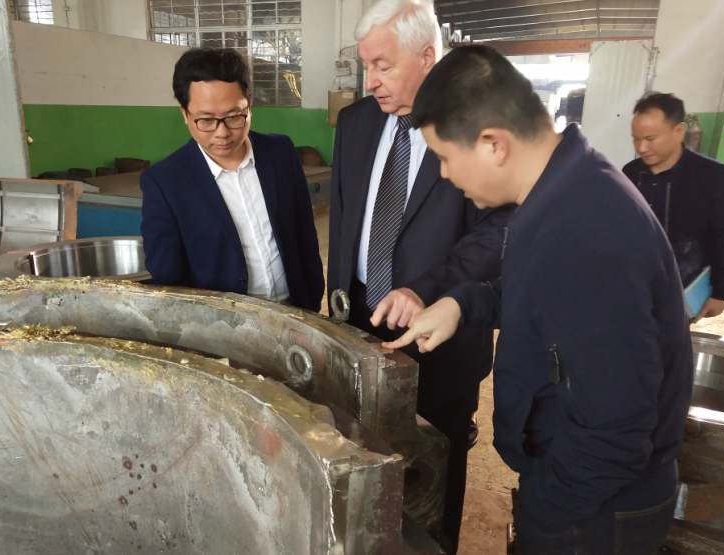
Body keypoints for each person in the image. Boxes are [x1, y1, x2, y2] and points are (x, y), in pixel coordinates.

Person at [386, 45, 693, 554]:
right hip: (579, 487)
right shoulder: (563, 188)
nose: (444, 175)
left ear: (493, 144)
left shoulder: (584, 231)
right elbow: (541, 293)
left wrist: (543, 515)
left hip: (594, 511)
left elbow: (614, 431)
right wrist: (463, 305)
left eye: (444, 157)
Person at [327, 1, 511, 551]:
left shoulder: (479, 125)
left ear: (427, 57)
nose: (370, 81)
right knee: (365, 457)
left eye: (383, 66)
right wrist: (338, 293)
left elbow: (499, 230)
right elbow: (345, 214)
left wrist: (425, 290)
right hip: (360, 326)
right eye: (366, 66)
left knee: (435, 468)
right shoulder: (357, 122)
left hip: (441, 338)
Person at [140, 48, 324, 312]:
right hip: (224, 327)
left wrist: (312, 300)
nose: (222, 133)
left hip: (296, 312)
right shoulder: (165, 183)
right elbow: (170, 279)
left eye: (234, 117)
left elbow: (304, 233)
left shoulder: (280, 153)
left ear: (249, 106)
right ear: (184, 113)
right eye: (206, 120)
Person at [623, 93, 724, 319]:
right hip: (634, 287)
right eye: (636, 139)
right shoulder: (631, 173)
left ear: (679, 130)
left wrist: (721, 292)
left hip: (684, 291)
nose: (642, 147)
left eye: (651, 138)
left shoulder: (714, 177)